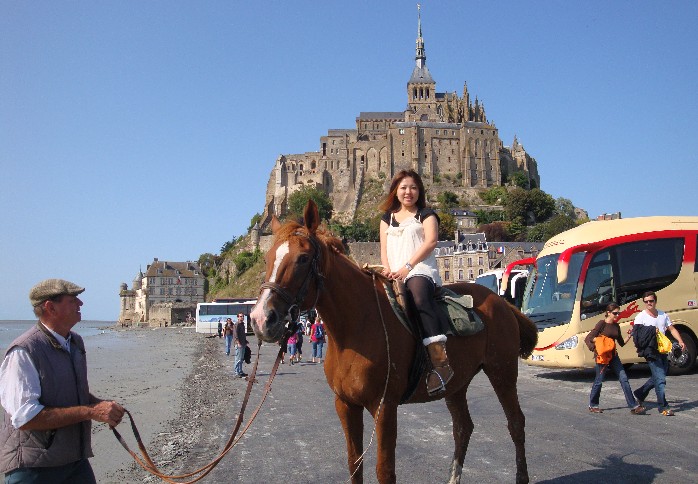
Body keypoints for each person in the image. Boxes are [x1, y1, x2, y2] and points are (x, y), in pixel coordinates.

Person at [0, 279, 125, 483]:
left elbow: (74, 393)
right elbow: (26, 417)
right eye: (73, 300)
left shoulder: (75, 342)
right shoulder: (23, 351)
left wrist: (103, 406)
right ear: (50, 307)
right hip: (34, 468)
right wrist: (92, 411)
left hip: (75, 460)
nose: (81, 304)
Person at [379, 169, 453, 396]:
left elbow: (431, 242)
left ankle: (441, 363)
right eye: (403, 187)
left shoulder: (426, 214)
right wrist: (388, 270)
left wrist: (407, 268)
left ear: (419, 190)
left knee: (419, 297)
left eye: (412, 187)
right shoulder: (386, 219)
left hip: (420, 269)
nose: (408, 192)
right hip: (394, 272)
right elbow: (384, 250)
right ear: (395, 191)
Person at [632, 291, 686, 416]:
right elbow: (637, 334)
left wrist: (680, 340)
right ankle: (663, 406)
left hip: (663, 349)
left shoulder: (663, 315)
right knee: (661, 379)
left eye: (651, 301)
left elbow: (671, 329)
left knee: (659, 375)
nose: (649, 303)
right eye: (646, 301)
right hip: (650, 351)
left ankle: (640, 393)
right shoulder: (641, 317)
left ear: (655, 301)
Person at [584, 303, 645, 414]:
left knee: (624, 378)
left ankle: (633, 406)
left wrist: (629, 335)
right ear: (608, 313)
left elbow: (621, 343)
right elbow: (589, 338)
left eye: (618, 313)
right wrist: (601, 342)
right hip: (602, 356)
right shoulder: (601, 324)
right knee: (599, 380)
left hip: (613, 356)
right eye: (615, 313)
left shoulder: (616, 326)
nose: (617, 315)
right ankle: (593, 405)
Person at [233, 313, 248, 378]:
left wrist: (245, 341)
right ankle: (236, 372)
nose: (242, 317)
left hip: (243, 344)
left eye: (243, 316)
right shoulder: (236, 325)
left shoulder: (242, 325)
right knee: (238, 359)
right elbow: (235, 335)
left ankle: (240, 371)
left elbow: (243, 334)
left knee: (241, 359)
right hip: (239, 344)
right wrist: (238, 343)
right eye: (241, 316)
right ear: (238, 317)